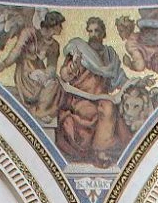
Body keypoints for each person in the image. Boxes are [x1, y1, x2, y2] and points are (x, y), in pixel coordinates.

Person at [55, 17, 129, 166]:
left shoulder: (110, 55)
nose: (94, 34)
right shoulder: (79, 51)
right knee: (91, 111)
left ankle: (101, 149)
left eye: (97, 31)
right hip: (81, 98)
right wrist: (73, 66)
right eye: (91, 31)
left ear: (103, 33)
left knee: (110, 108)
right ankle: (96, 150)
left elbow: (120, 78)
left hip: (102, 98)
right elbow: (64, 74)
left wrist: (133, 84)